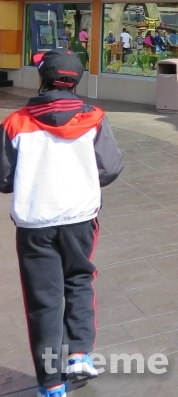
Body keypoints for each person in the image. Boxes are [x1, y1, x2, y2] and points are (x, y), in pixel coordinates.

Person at [0, 50, 123, 396]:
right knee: (80, 280)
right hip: (80, 217)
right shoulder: (95, 118)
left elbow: (4, 177)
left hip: (35, 223)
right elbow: (110, 168)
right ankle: (80, 354)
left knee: (43, 301)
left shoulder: (16, 122)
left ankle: (52, 384)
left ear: (43, 77)